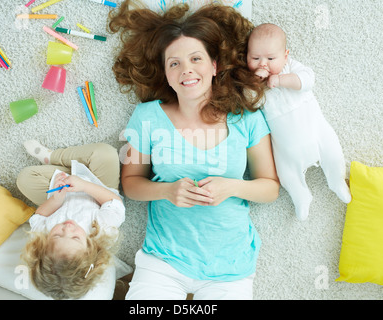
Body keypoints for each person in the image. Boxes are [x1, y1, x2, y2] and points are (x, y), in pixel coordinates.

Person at [109, 1, 279, 299]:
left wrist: (232, 187)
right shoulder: (147, 117)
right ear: (166, 73)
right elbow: (130, 184)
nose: (186, 69)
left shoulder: (247, 119)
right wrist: (166, 191)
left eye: (196, 59)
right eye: (174, 63)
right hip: (163, 262)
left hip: (230, 267)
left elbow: (270, 188)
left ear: (214, 66)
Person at [246, 23, 351, 221]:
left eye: (270, 58)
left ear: (285, 55)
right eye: (255, 58)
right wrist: (255, 85)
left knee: (334, 154)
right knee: (286, 176)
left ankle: (336, 181)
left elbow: (308, 79)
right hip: (285, 144)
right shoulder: (252, 82)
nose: (263, 64)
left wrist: (281, 80)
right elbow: (251, 102)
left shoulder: (290, 67)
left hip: (315, 130)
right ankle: (301, 196)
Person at [16, 141, 125, 299]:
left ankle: (59, 161)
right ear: (90, 250)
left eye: (57, 235)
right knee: (105, 153)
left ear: (42, 246)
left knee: (25, 179)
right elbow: (113, 202)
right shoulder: (102, 232)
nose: (67, 228)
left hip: (61, 192)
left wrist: (56, 200)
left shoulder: (41, 237)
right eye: (75, 237)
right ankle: (64, 163)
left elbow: (40, 215)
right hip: (100, 186)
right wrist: (84, 185)